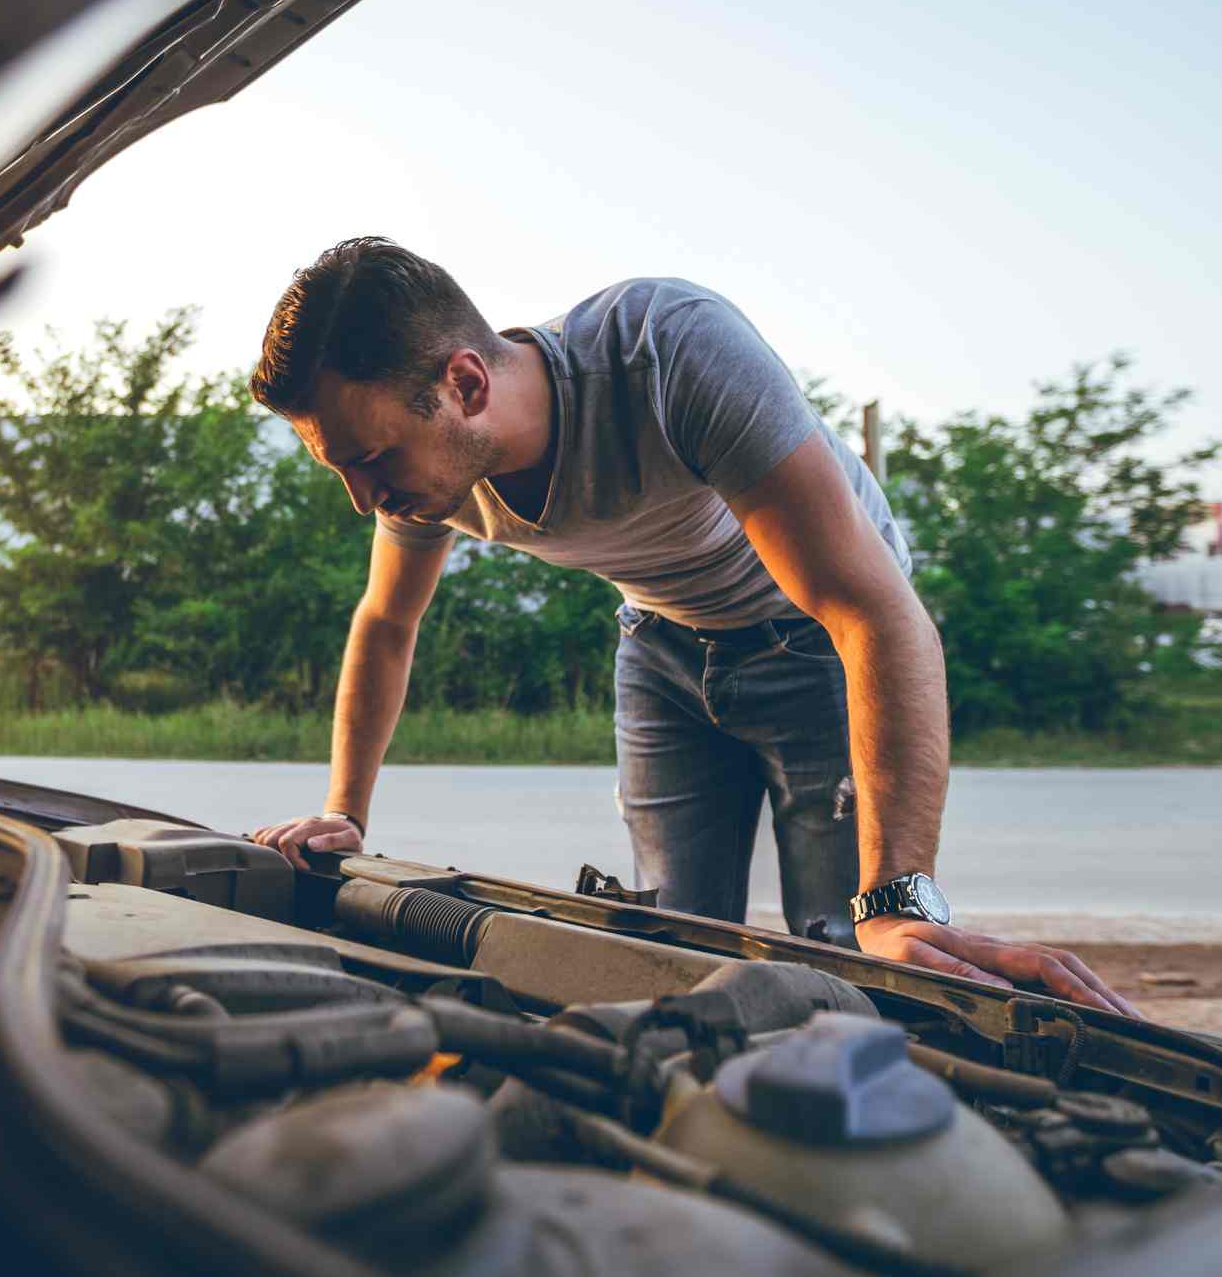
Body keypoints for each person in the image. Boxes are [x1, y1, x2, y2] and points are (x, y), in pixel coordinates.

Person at [248, 237, 1135, 1016]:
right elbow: (386, 624)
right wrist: (343, 814)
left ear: (465, 383)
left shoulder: (667, 349)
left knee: (852, 950)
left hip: (818, 645)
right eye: (341, 468)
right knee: (674, 952)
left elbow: (872, 612)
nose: (363, 498)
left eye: (368, 460)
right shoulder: (422, 470)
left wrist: (899, 897)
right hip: (661, 652)